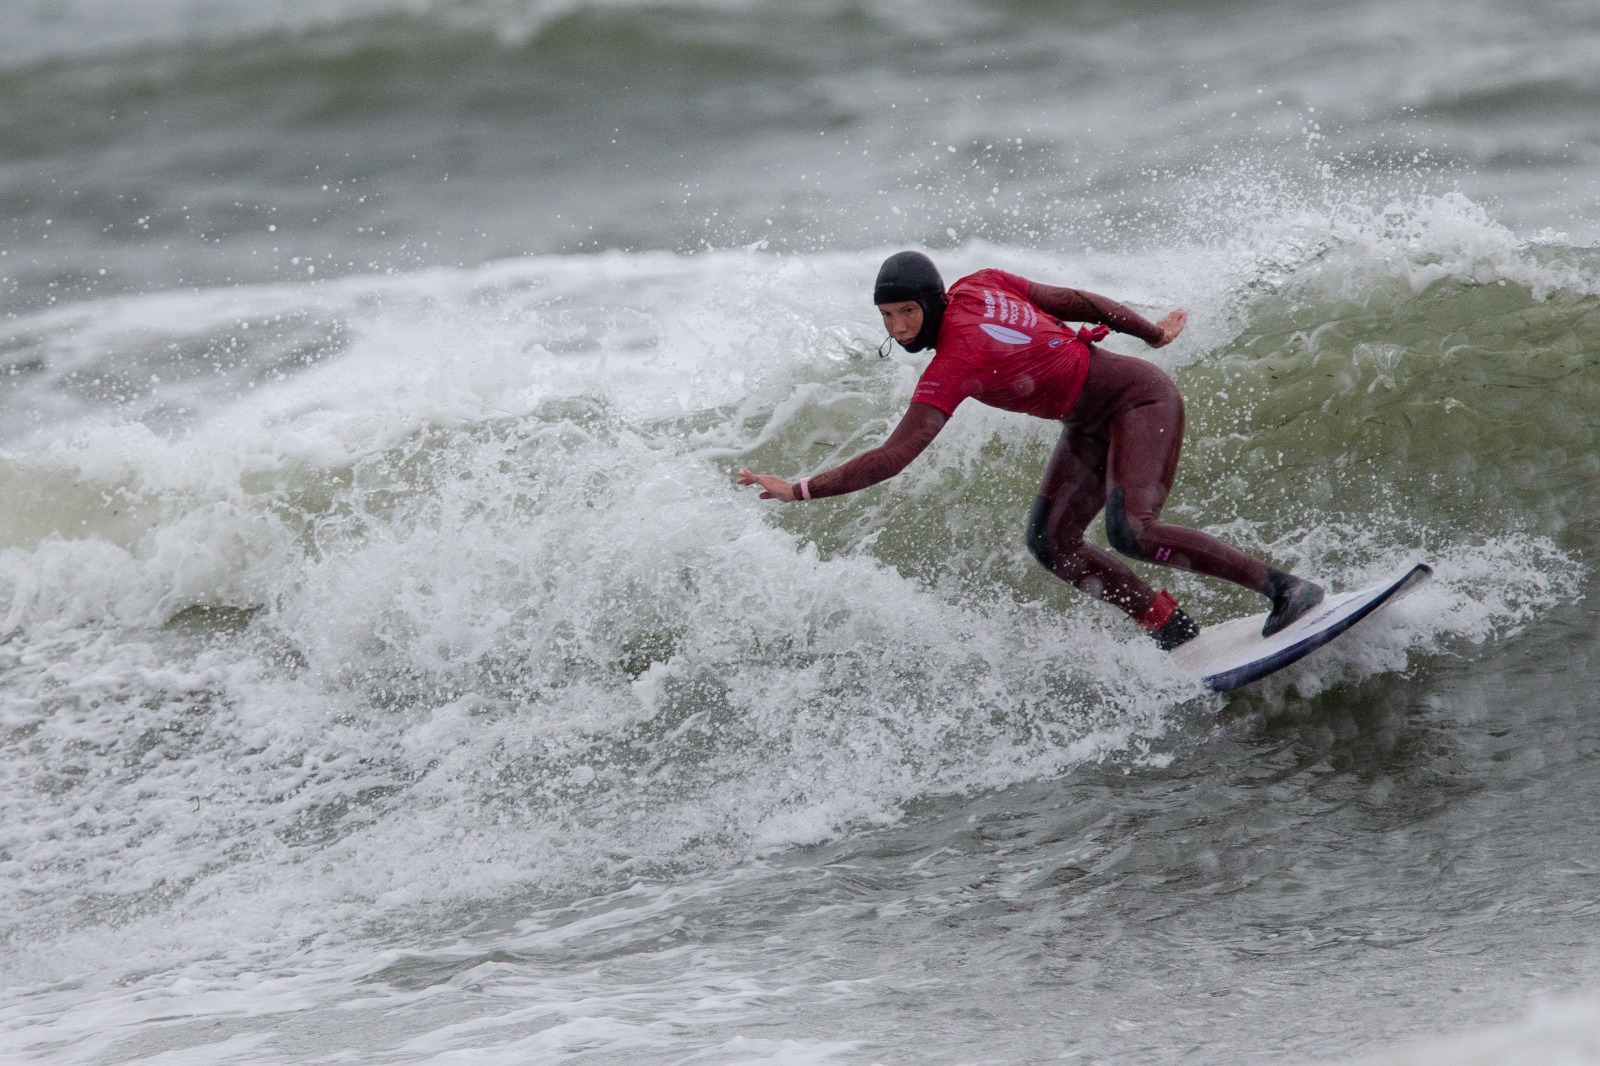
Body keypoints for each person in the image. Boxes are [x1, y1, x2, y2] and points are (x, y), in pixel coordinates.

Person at [736, 251, 1324, 650]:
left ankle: (1285, 588)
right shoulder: (981, 283)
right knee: (1051, 542)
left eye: (908, 313)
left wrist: (801, 489)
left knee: (1133, 531)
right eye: (887, 317)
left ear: (933, 302)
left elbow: (895, 455)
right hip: (1090, 421)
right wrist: (1150, 332)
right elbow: (1075, 301)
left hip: (1140, 402)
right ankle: (1171, 629)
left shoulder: (955, 360)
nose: (898, 329)